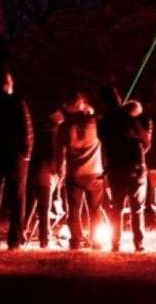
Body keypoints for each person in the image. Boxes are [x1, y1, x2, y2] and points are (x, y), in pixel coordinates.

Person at [0, 71, 33, 251]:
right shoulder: (17, 102)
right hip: (15, 156)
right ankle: (14, 240)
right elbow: (27, 130)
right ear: (8, 84)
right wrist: (27, 153)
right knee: (17, 199)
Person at [56, 93, 105, 250]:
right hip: (95, 172)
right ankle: (97, 242)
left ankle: (76, 241)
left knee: (74, 210)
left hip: (74, 174)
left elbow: (59, 151)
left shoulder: (66, 128)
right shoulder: (96, 126)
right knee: (95, 210)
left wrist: (59, 168)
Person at [103, 100, 152, 252]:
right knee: (137, 208)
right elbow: (146, 144)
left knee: (116, 208)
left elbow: (105, 146)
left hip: (116, 170)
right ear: (136, 112)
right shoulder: (138, 126)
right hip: (135, 171)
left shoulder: (110, 126)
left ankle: (115, 244)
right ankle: (139, 243)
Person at [29, 109, 64, 248]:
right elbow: (53, 157)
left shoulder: (42, 134)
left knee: (36, 205)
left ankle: (25, 231)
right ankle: (44, 239)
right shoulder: (52, 137)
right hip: (46, 173)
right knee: (44, 207)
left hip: (42, 173)